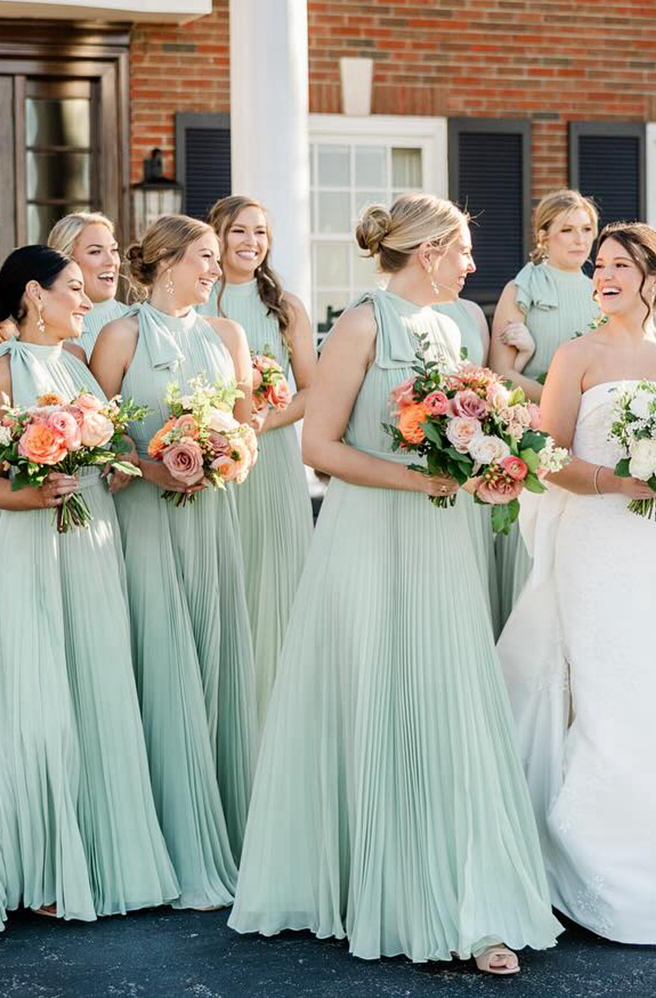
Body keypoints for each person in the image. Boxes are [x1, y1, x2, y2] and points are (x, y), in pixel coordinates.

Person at [229, 194, 560, 974]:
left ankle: (470, 897)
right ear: (429, 251)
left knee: (448, 694)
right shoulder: (362, 323)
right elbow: (321, 445)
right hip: (371, 535)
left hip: (444, 539)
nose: (475, 266)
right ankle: (366, 881)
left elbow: (477, 422)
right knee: (377, 687)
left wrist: (495, 456)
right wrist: (418, 484)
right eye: (464, 251)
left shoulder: (461, 327)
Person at [498, 222, 656, 945]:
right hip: (598, 540)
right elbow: (544, 454)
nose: (605, 274)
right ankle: (590, 863)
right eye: (599, 265)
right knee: (605, 689)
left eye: (620, 264)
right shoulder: (577, 353)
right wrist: (611, 479)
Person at [0, 245, 178, 921]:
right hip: (32, 547)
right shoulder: (5, 369)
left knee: (93, 687)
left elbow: (114, 455)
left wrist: (162, 459)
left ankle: (97, 859)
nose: (85, 300)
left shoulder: (76, 367)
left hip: (91, 541)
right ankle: (39, 866)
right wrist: (27, 497)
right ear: (31, 296)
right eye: (72, 287)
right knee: (40, 698)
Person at [92, 216, 255, 905]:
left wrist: (224, 455)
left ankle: (229, 827)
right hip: (143, 520)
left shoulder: (229, 335)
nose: (215, 270)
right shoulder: (121, 335)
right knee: (158, 658)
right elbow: (92, 434)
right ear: (164, 262)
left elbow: (246, 425)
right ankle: (159, 837)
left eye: (217, 259)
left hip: (213, 520)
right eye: (204, 258)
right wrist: (150, 468)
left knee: (216, 661)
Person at [203, 196, 316, 728]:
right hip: (208, 461)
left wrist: (265, 423)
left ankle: (277, 710)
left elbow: (312, 392)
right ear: (216, 237)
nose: (252, 242)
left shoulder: (285, 307)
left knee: (274, 577)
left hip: (270, 461)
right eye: (239, 232)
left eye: (261, 233)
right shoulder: (198, 303)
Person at [489, 190, 598, 625]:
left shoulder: (599, 291)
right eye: (567, 230)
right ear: (544, 235)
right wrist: (557, 395)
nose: (579, 240)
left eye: (586, 229)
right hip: (535, 432)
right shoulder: (521, 289)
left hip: (589, 435)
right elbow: (500, 375)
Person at [435, 292, 502, 635]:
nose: (471, 265)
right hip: (431, 461)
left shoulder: (473, 312)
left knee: (472, 569)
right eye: (463, 253)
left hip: (473, 457)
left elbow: (490, 389)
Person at [47, 212, 128, 353]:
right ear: (66, 260)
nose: (111, 262)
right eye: (95, 252)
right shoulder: (46, 330)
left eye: (114, 250)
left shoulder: (140, 321)